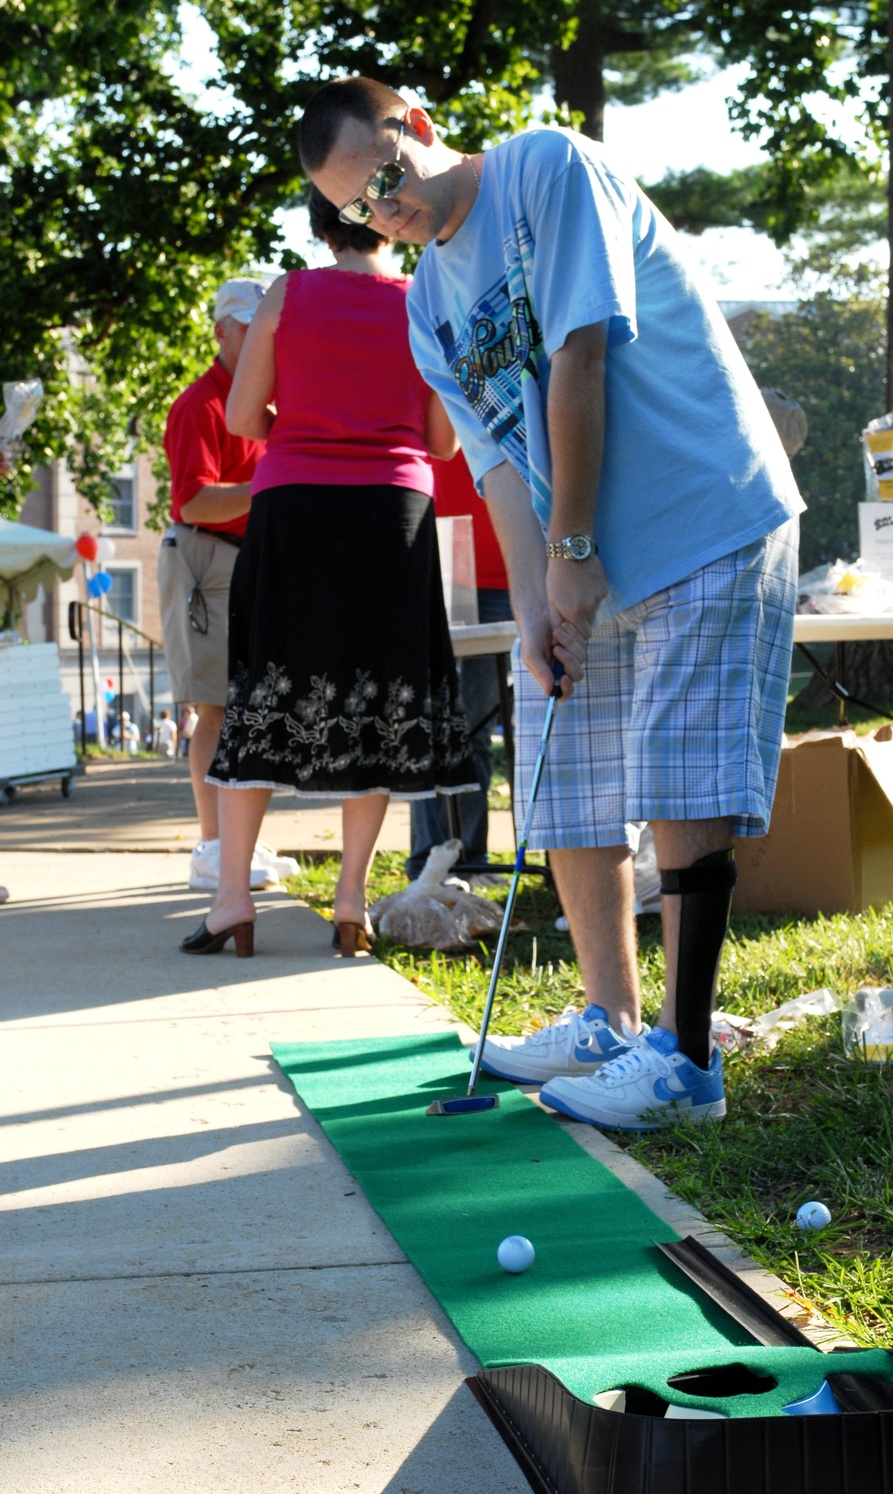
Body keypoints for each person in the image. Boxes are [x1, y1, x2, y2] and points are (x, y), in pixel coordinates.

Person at [300, 77, 803, 1129]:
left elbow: (578, 357)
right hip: (588, 557)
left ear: (420, 127)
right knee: (559, 768)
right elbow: (493, 465)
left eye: (386, 181)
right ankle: (607, 1020)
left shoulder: (546, 170)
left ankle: (686, 1060)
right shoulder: (428, 303)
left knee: (679, 768)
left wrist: (571, 546)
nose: (383, 213)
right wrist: (536, 601)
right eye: (358, 209)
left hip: (700, 509)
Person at [180, 188, 475, 960]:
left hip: (294, 508)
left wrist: (306, 433)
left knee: (263, 687)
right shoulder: (423, 303)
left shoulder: (289, 294)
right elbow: (443, 443)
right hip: (393, 514)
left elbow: (245, 419)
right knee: (378, 697)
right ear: (389, 219)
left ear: (319, 227)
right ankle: (351, 905)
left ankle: (233, 899)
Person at [159, 278, 290, 892]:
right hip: (207, 559)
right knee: (214, 706)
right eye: (248, 323)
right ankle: (213, 847)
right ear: (221, 331)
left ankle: (235, 842)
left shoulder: (266, 404)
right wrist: (271, 489)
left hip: (248, 558)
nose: (264, 335)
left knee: (248, 705)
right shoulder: (199, 405)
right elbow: (193, 502)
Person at [406, 448, 512, 884]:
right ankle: (433, 860)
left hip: (514, 567)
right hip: (448, 557)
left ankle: (474, 856)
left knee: (481, 731)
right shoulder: (431, 378)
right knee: (437, 726)